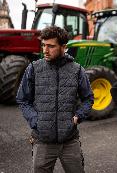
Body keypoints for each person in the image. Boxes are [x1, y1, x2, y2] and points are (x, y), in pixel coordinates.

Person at [16, 26, 94, 173]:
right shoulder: (33, 68)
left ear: (63, 47)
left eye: (51, 46)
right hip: (42, 141)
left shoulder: (77, 70)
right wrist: (35, 121)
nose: (45, 50)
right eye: (43, 45)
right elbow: (23, 100)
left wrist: (78, 116)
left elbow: (88, 98)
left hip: (70, 140)